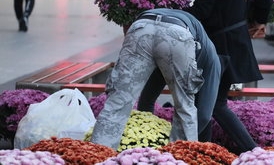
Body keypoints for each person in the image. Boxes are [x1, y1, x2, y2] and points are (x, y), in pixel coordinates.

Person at [185, 0, 272, 153]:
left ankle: (252, 152)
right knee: (208, 102)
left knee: (212, 105)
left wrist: (176, 14)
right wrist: (260, 21)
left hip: (217, 45)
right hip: (237, 37)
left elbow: (203, 10)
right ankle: (206, 151)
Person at [90, 8, 222, 150]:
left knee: (117, 103)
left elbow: (148, 98)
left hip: (141, 26)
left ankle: (99, 155)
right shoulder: (213, 61)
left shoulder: (204, 46)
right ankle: (180, 157)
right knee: (185, 106)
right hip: (177, 34)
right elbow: (204, 115)